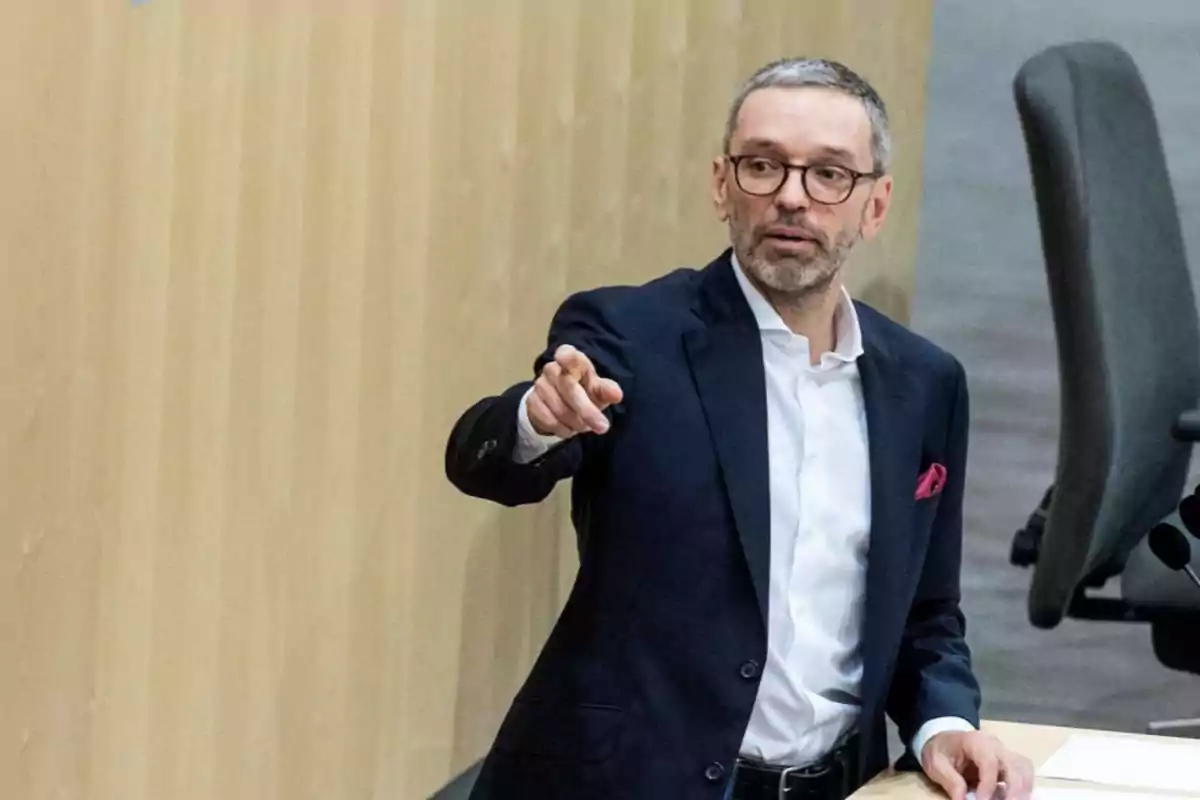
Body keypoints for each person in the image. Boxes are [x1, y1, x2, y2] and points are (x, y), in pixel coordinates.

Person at [445, 56, 1035, 800]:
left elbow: (926, 614)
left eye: (829, 175)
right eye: (763, 166)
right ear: (722, 185)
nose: (792, 197)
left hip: (839, 785)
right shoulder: (631, 336)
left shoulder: (926, 383)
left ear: (874, 205)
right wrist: (536, 419)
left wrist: (944, 724)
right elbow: (484, 461)